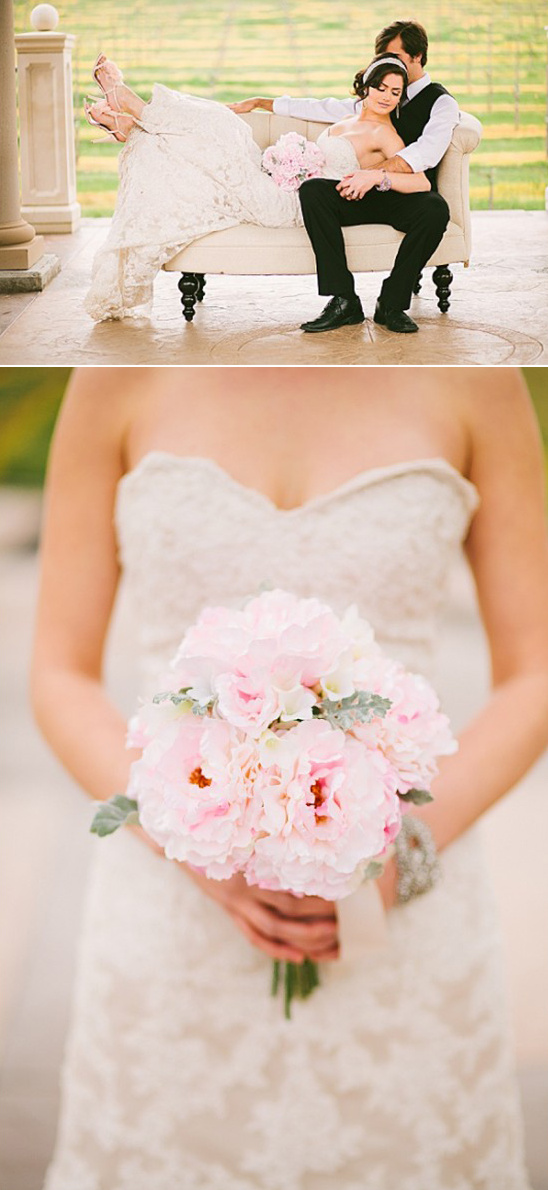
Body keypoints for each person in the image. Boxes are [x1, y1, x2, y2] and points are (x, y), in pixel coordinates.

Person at [32, 365, 548, 1189]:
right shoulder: (115, 373)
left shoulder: (479, 379)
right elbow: (58, 671)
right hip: (171, 923)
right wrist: (197, 852)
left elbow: (536, 673)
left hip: (408, 921)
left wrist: (396, 855)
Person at [83, 52, 430, 322]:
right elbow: (307, 109)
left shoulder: (385, 134)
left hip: (296, 203)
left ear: (400, 98)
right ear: (366, 87)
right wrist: (279, 150)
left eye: (395, 92)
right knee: (221, 129)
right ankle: (137, 126)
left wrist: (376, 176)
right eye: (381, 88)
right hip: (280, 183)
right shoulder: (349, 117)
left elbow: (420, 181)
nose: (386, 96)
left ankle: (133, 111)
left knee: (221, 129)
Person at [230, 20, 459, 334]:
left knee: (435, 208)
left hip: (405, 194)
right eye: (381, 72)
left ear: (417, 56)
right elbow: (322, 107)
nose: (387, 76)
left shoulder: (441, 103)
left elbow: (427, 153)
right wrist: (260, 102)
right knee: (313, 191)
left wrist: (375, 175)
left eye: (395, 61)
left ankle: (392, 303)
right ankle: (343, 301)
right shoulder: (368, 102)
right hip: (359, 192)